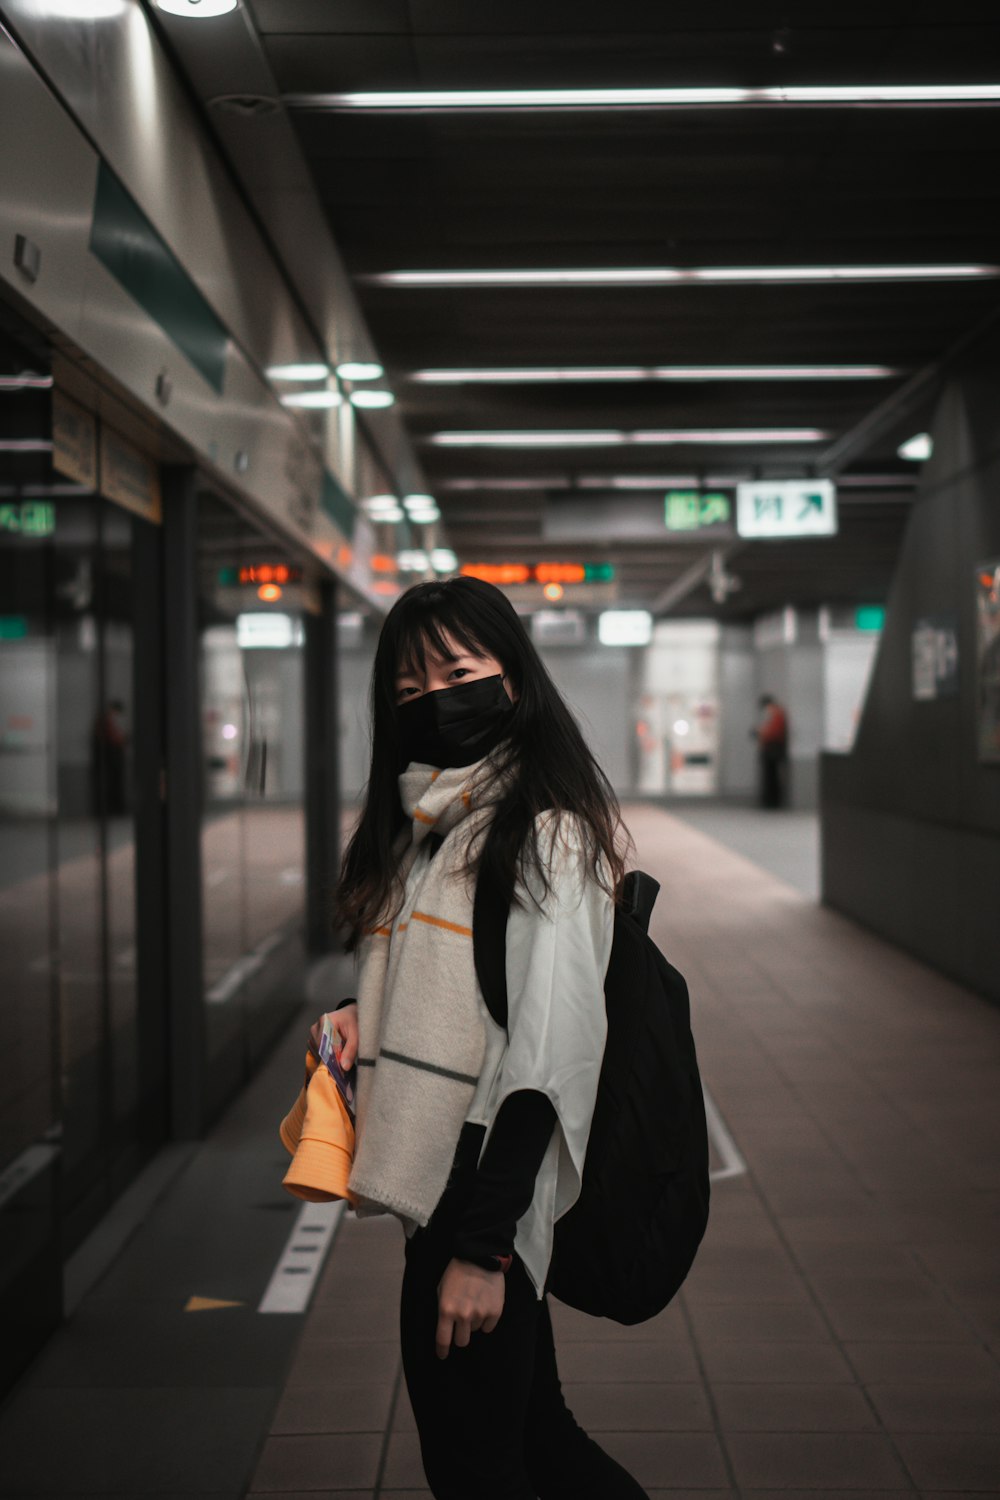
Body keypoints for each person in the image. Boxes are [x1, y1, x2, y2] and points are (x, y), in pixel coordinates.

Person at [329, 576, 648, 1500]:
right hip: (445, 1193)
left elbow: (547, 1062)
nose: (436, 702)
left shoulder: (541, 833)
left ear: (513, 676)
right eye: (408, 692)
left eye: (459, 672)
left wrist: (482, 1252)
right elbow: (472, 994)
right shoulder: (435, 824)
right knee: (536, 1444)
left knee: (479, 1467)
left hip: (478, 1198)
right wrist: (367, 1016)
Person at [755, 693, 789, 809]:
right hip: (771, 750)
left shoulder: (777, 714)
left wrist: (761, 733)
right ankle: (770, 801)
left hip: (773, 751)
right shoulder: (775, 714)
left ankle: (772, 802)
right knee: (770, 777)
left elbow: (774, 733)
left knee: (772, 778)